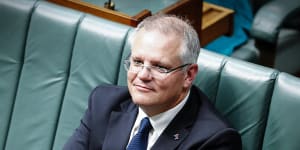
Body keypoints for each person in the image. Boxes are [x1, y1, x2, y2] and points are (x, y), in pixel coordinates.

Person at [64, 14, 242, 150]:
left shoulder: (215, 140)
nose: (143, 75)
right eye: (138, 62)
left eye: (159, 67)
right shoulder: (103, 103)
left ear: (188, 75)